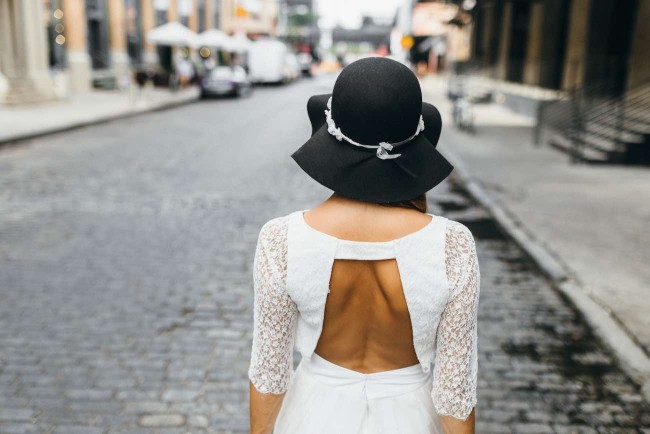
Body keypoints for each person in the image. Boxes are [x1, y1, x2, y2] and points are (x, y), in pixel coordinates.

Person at [248, 57, 480, 434]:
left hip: (312, 416)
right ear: (415, 142)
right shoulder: (452, 245)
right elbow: (455, 391)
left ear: (332, 135)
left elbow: (269, 373)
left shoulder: (281, 239)